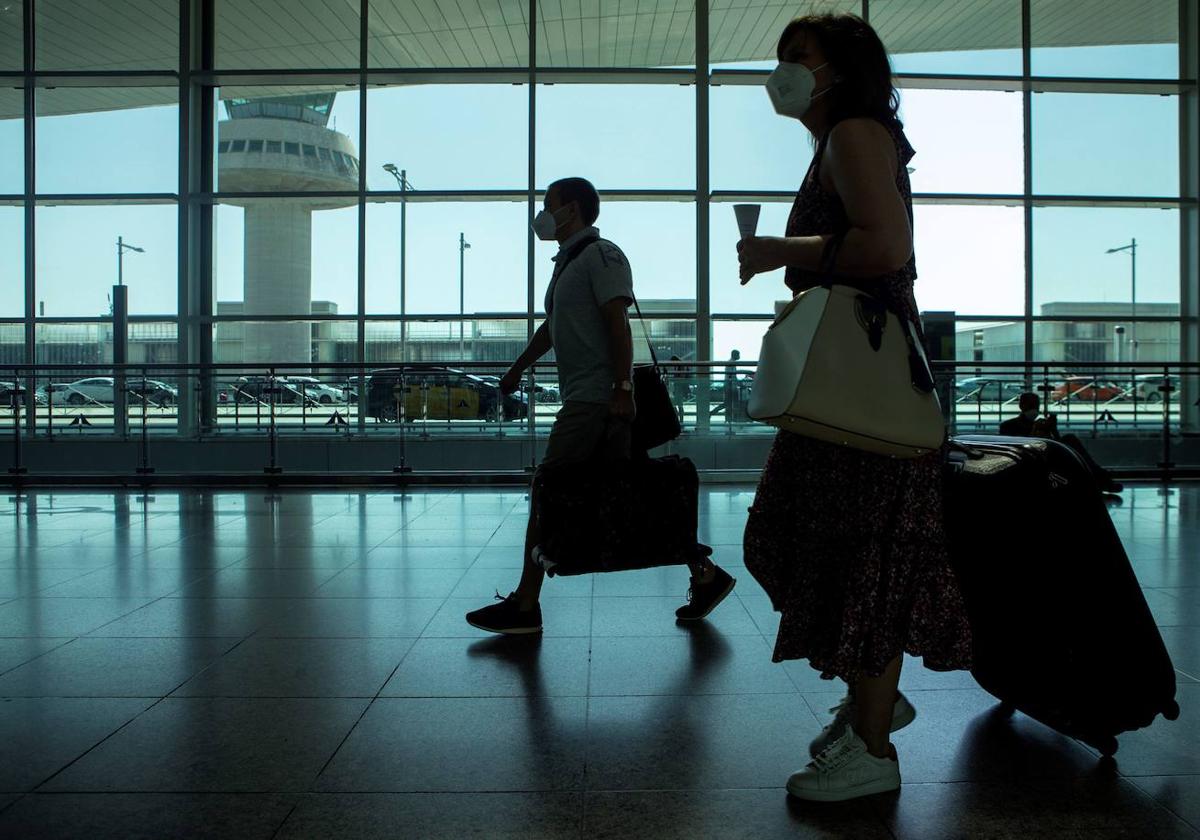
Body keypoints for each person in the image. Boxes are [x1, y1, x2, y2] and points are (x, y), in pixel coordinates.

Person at [737, 13, 973, 802]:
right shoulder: (839, 139)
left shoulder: (854, 133)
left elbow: (885, 248)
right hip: (856, 384)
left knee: (862, 550)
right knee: (817, 541)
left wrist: (779, 251)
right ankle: (874, 699)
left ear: (839, 69)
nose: (784, 71)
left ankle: (872, 748)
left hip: (863, 388)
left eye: (797, 57)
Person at [466, 177, 736, 635]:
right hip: (592, 397)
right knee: (633, 492)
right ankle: (705, 574)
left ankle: (526, 605)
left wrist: (622, 390)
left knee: (548, 486)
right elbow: (552, 329)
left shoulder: (601, 255)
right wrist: (518, 367)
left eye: (548, 205)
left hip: (597, 399)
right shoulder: (567, 263)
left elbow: (618, 323)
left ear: (570, 210)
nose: (542, 214)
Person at [1000, 392, 1124, 494]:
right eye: (1031, 405)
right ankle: (1101, 478)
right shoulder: (1009, 426)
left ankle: (1098, 478)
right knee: (1070, 444)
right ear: (1022, 406)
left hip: (1048, 454)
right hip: (1032, 459)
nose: (1034, 409)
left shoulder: (1040, 423)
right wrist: (1035, 431)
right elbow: (1017, 449)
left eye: (1036, 406)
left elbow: (1057, 443)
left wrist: (1053, 429)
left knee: (1070, 440)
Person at [723, 349, 742, 432]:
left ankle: (729, 420)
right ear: (735, 355)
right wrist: (738, 383)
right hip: (730, 386)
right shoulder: (731, 363)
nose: (739, 356)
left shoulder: (731, 362)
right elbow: (731, 376)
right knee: (730, 403)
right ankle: (730, 420)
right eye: (738, 354)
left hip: (729, 385)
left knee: (728, 403)